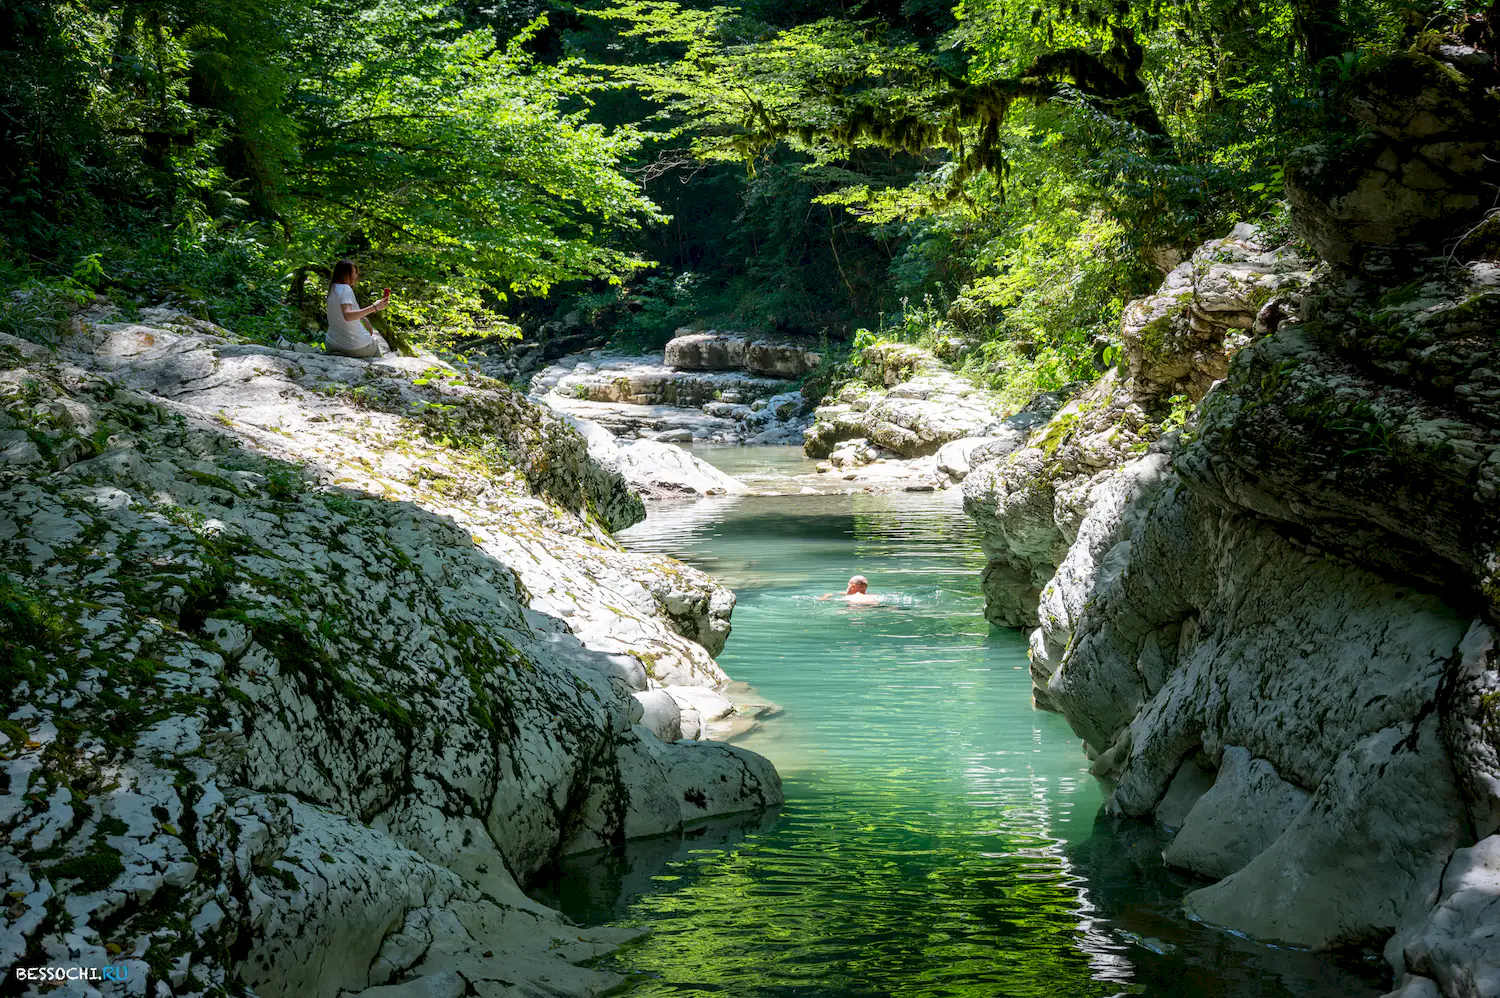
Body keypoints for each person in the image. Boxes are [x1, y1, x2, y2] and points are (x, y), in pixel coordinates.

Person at [325, 259, 392, 358]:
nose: (356, 276)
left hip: (332, 344)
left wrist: (364, 319)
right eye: (354, 272)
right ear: (346, 274)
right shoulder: (346, 289)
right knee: (375, 347)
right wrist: (375, 307)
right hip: (352, 347)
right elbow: (347, 316)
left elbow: (342, 312)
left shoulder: (333, 288)